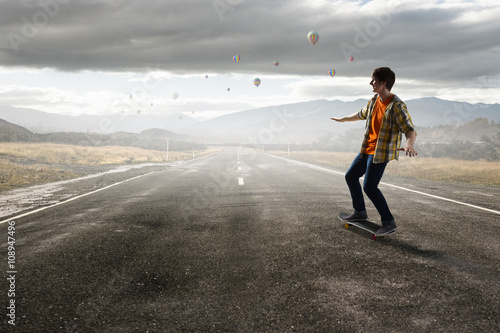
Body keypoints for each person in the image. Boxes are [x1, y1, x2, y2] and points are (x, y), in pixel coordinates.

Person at [331, 67, 417, 235]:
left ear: (383, 82)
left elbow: (409, 129)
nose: (371, 83)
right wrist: (343, 119)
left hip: (380, 153)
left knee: (370, 186)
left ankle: (388, 222)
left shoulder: (396, 106)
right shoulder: (373, 100)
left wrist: (409, 145)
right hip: (366, 149)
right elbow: (361, 114)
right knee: (350, 176)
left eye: (374, 80)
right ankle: (360, 212)